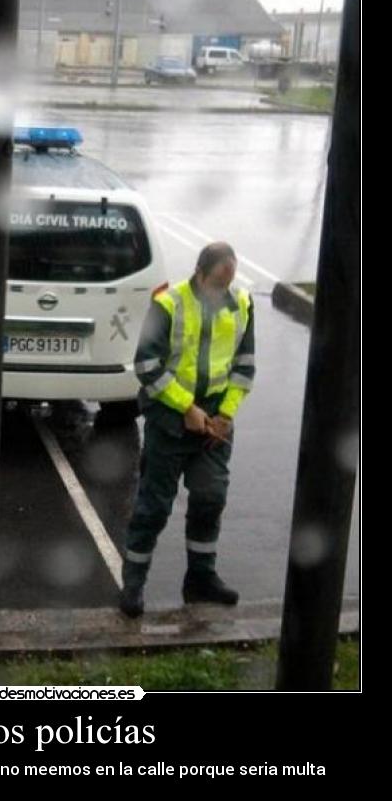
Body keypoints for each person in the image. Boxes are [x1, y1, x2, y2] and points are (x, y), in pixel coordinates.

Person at [119, 242, 255, 618]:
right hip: (170, 420)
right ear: (199, 273)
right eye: (216, 282)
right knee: (154, 506)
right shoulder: (169, 303)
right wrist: (187, 408)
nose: (221, 289)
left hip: (214, 423)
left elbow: (244, 367)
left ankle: (201, 579)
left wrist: (225, 415)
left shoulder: (241, 303)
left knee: (210, 498)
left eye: (227, 282)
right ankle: (133, 583)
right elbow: (146, 366)